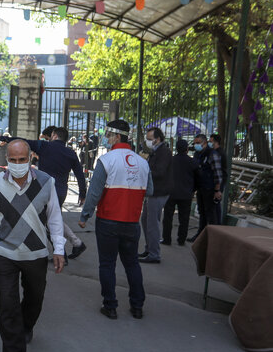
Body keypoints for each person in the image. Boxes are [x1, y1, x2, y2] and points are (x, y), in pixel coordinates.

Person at [0, 139, 66, 352]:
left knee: (35, 298)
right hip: (4, 252)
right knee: (7, 305)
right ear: (7, 160)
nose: (17, 165)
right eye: (13, 160)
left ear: (31, 158)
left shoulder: (47, 182)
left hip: (36, 253)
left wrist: (59, 249)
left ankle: (26, 325)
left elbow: (55, 219)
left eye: (22, 160)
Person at [78, 120, 152, 320]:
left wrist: (85, 216)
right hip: (131, 222)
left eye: (109, 135)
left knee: (107, 264)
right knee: (132, 264)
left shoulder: (107, 160)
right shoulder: (143, 162)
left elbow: (94, 193)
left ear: (117, 136)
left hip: (108, 221)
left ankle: (110, 306)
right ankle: (137, 306)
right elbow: (150, 190)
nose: (107, 138)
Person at [1, 127, 88, 259]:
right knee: (53, 218)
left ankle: (61, 253)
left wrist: (5, 138)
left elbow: (23, 142)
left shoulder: (44, 146)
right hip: (61, 191)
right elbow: (80, 175)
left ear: (54, 135)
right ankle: (76, 243)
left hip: (44, 189)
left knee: (46, 221)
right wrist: (82, 194)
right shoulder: (71, 153)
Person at [139, 127, 173, 264]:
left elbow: (159, 172)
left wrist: (144, 171)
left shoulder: (163, 152)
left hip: (159, 192)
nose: (147, 141)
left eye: (149, 139)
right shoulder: (156, 151)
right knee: (145, 220)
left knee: (152, 223)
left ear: (158, 139)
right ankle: (150, 249)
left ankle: (154, 254)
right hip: (153, 192)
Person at [162, 139, 199, 246]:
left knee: (168, 217)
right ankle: (181, 239)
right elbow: (198, 178)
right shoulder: (192, 162)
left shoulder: (171, 161)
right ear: (187, 149)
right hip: (186, 194)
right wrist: (193, 189)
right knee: (184, 218)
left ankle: (167, 239)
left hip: (171, 193)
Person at [187, 134, 223, 242]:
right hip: (201, 188)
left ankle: (213, 238)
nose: (196, 145)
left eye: (198, 143)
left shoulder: (212, 154)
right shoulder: (198, 154)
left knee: (211, 214)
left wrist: (217, 190)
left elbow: (218, 174)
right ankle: (200, 235)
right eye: (195, 143)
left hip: (210, 188)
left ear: (205, 143)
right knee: (202, 212)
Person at [209, 134, 228, 224]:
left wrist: (218, 188)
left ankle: (217, 225)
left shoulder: (218, 153)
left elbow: (219, 172)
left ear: (215, 142)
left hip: (219, 182)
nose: (209, 143)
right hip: (217, 182)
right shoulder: (216, 152)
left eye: (210, 141)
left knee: (216, 203)